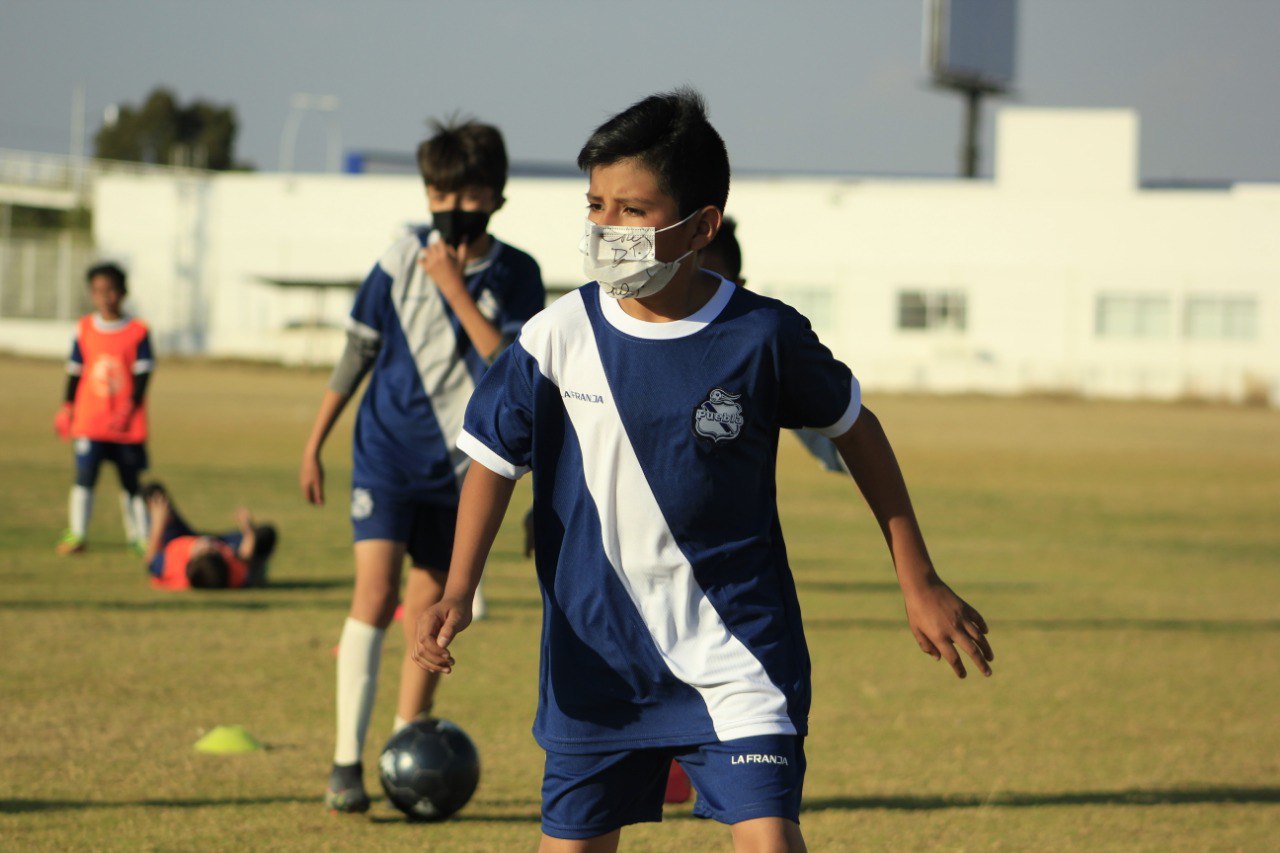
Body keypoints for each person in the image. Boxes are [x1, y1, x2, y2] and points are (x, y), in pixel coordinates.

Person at [414, 89, 994, 852]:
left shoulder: (763, 334)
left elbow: (857, 430)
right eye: (596, 206)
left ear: (701, 226)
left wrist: (917, 578)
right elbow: (492, 460)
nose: (606, 230)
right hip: (598, 670)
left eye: (634, 211)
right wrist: (459, 587)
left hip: (740, 657)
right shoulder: (555, 337)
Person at [300, 117, 545, 813]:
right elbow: (358, 349)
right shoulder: (399, 254)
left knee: (427, 609)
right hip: (385, 453)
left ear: (496, 197)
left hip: (463, 467)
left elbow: (509, 362)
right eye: (440, 191)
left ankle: (404, 748)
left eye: (468, 195)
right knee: (374, 595)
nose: (452, 207)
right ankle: (346, 759)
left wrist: (455, 288)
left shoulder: (517, 272)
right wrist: (314, 441)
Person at [702, 217, 846, 475]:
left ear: (740, 286)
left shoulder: (765, 347)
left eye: (712, 284)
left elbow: (844, 440)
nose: (697, 298)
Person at [53, 262, 154, 556]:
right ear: (92, 294)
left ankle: (141, 536)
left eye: (110, 290)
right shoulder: (84, 328)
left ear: (123, 292)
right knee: (84, 477)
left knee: (131, 482)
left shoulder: (138, 331)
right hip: (90, 420)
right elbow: (75, 370)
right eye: (98, 291)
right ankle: (77, 534)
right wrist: (66, 406)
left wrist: (130, 408)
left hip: (126, 425)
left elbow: (143, 374)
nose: (105, 297)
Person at [142, 483, 276, 590]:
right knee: (265, 534)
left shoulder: (174, 567)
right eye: (214, 549)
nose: (208, 544)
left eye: (204, 549)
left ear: (191, 560)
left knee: (155, 495)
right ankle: (258, 569)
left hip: (179, 538)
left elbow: (150, 559)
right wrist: (249, 531)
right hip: (226, 544)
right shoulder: (230, 573)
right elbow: (244, 558)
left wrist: (158, 522)